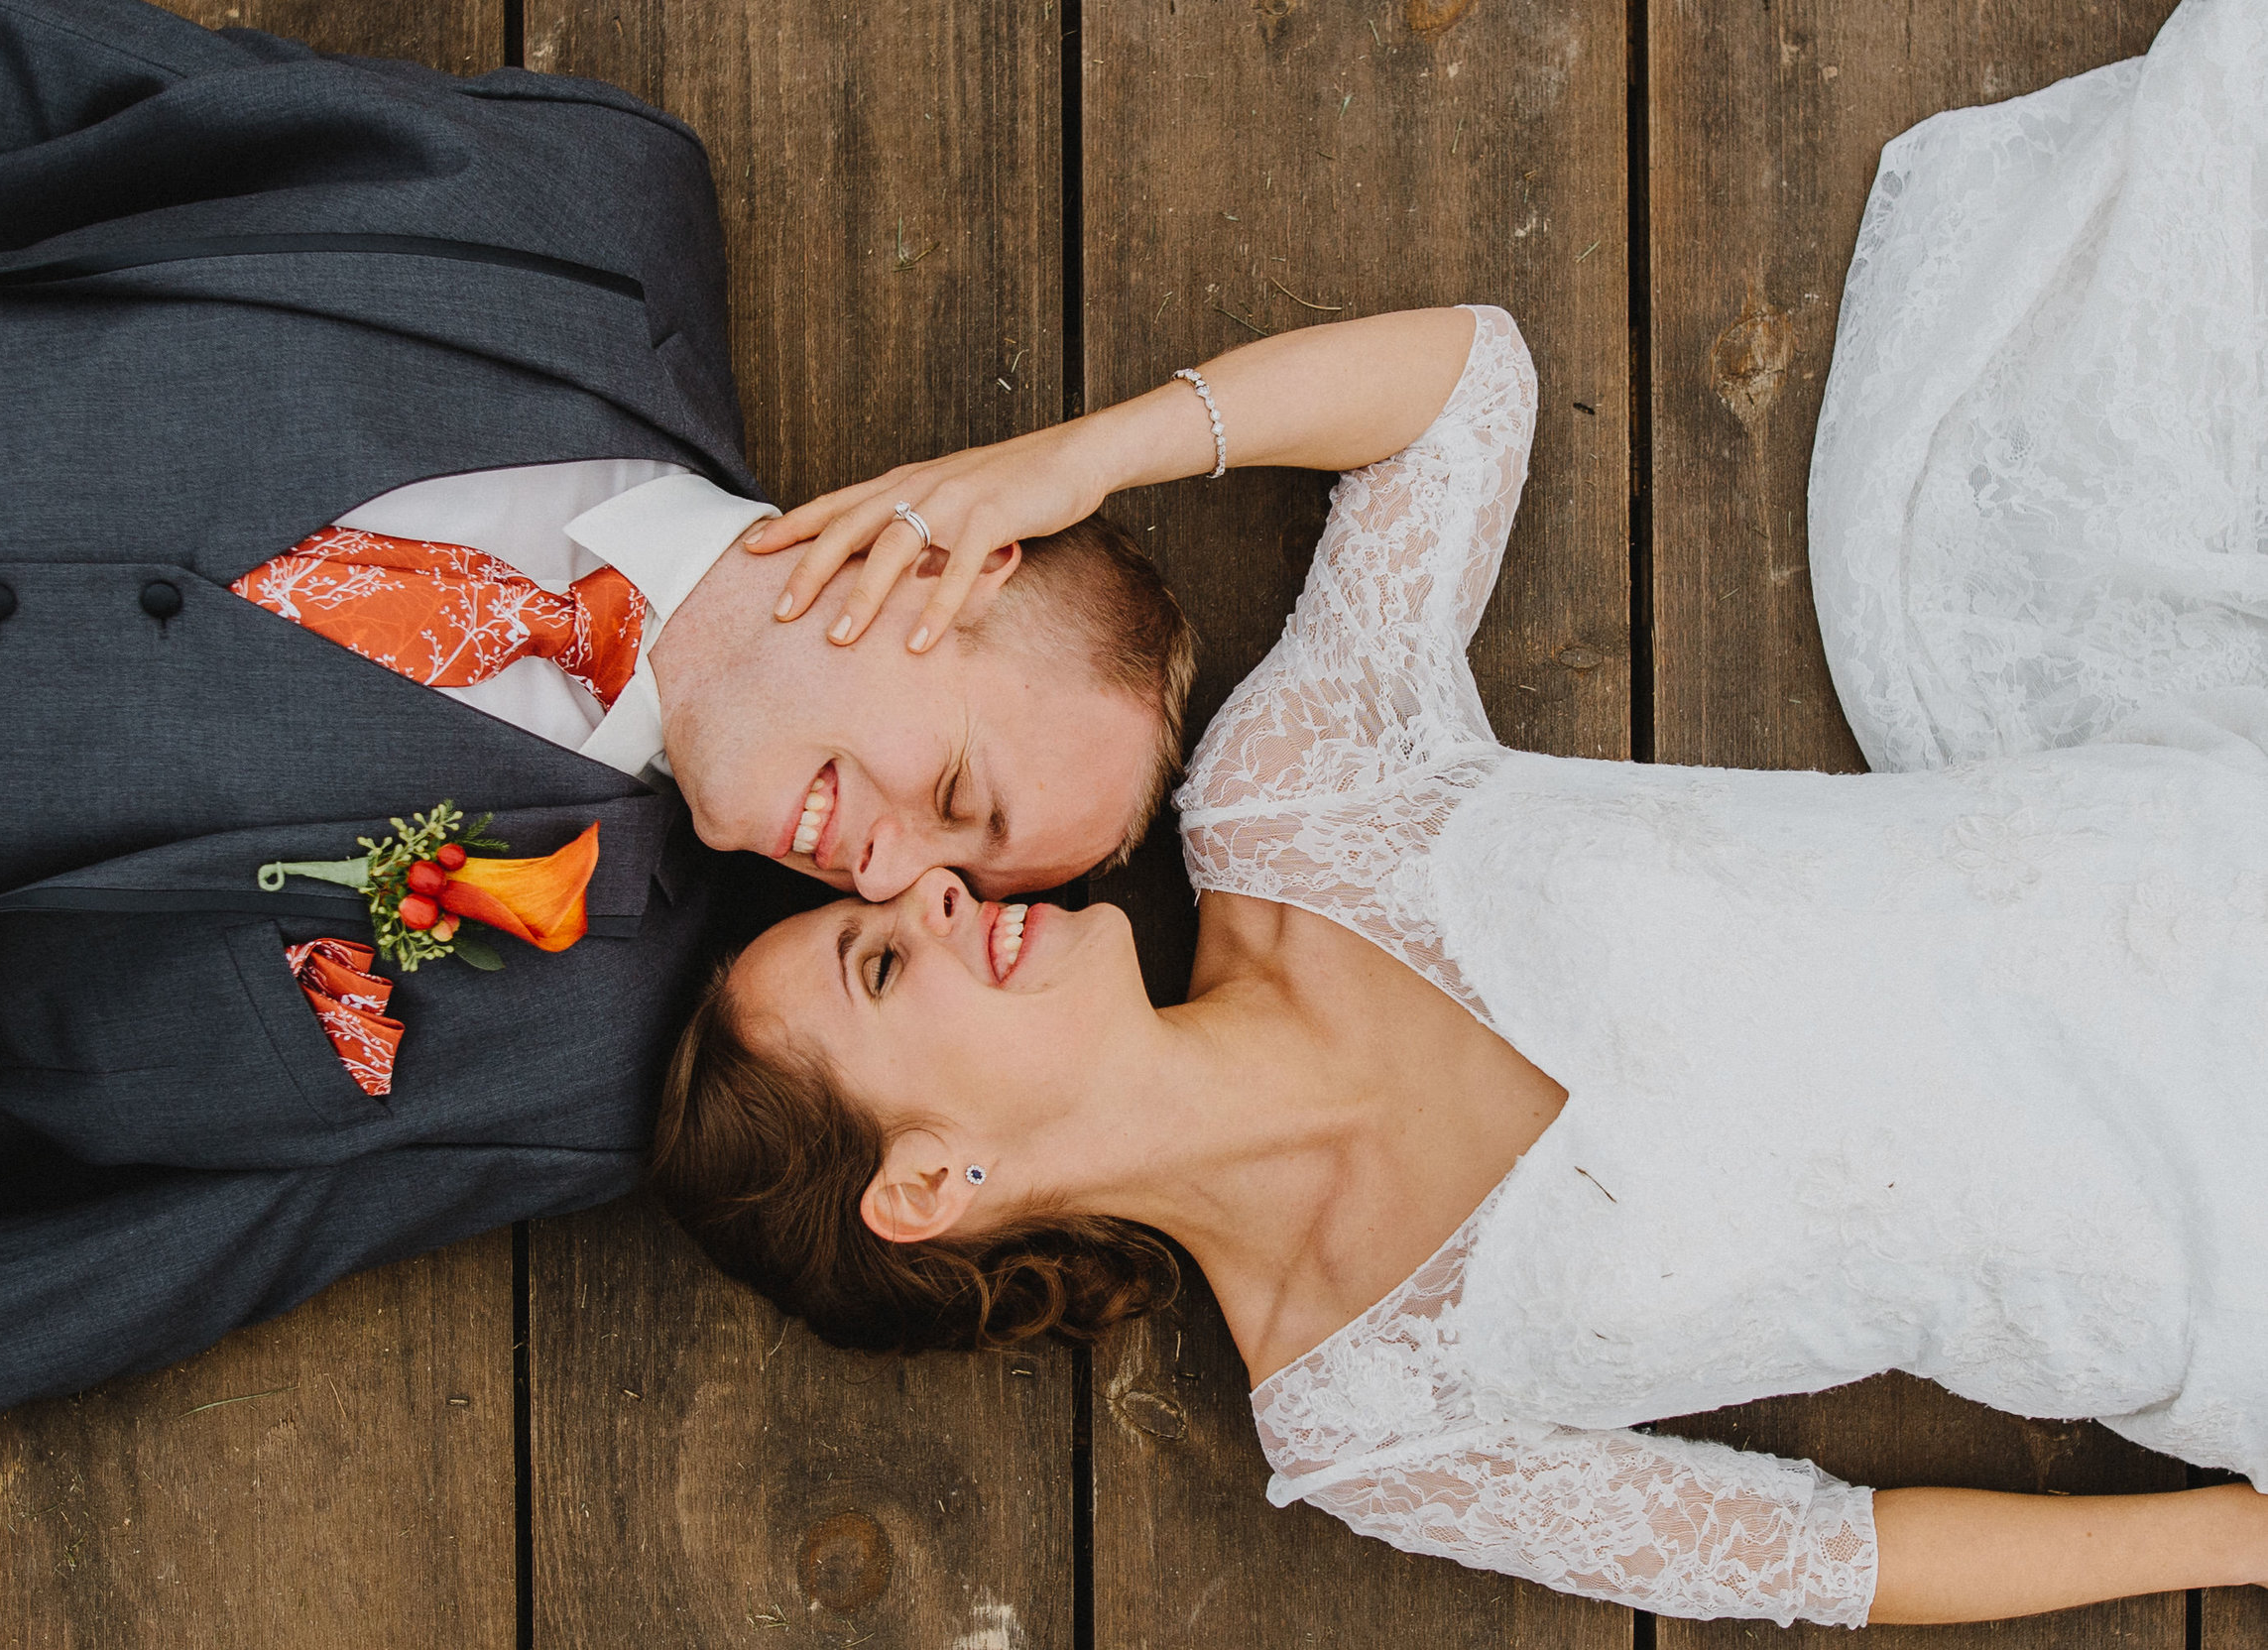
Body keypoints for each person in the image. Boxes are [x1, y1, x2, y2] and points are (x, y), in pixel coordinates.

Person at [657, 0, 2268, 1624]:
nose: (933, 895)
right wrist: (2237, 1543)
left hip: (2197, 877)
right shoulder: (1367, 1427)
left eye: (906, 882)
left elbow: (1463, 388)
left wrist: (1072, 466)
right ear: (927, 1186)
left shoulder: (1292, 809)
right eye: (878, 964)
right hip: (2215, 1271)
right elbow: (1821, 1556)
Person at [0, 0, 1191, 1447]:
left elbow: (93, 1284)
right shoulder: (582, 212)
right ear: (941, 569)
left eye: (970, 881)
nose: (899, 878)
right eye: (961, 793)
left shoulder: (568, 1060)